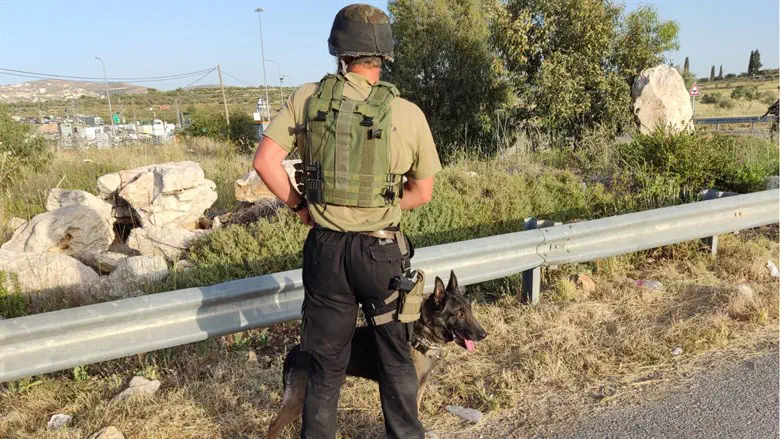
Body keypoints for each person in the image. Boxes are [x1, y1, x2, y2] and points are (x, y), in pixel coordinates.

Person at [252, 4, 441, 438]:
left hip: (327, 250)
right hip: (381, 251)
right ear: (384, 56)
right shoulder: (408, 113)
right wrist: (382, 207)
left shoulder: (306, 99)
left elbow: (265, 162)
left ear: (340, 52)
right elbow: (422, 192)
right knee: (395, 358)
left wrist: (303, 207)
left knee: (324, 365)